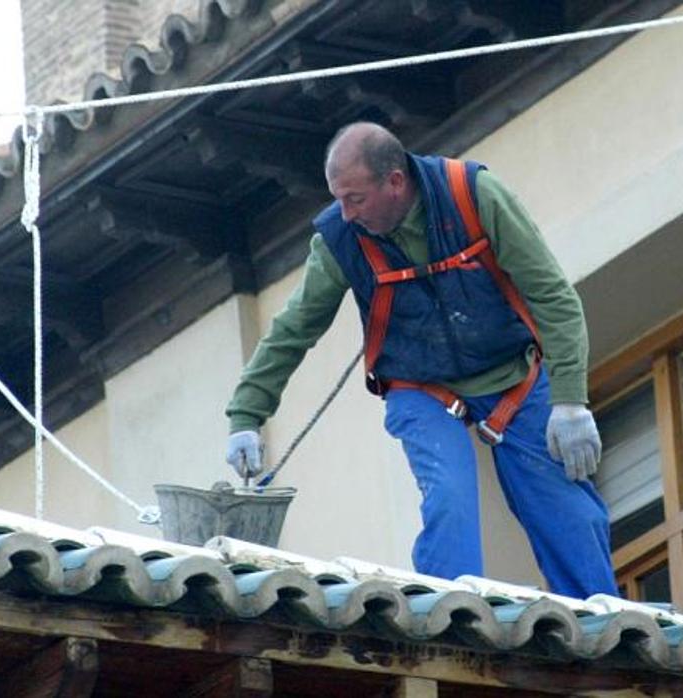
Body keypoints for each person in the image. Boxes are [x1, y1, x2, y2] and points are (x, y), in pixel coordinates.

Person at [224, 122, 617, 598]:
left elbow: (553, 296)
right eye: (339, 199)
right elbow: (294, 329)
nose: (345, 214)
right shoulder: (340, 240)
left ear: (394, 180)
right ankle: (449, 618)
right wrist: (247, 414)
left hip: (513, 376)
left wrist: (571, 401)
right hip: (420, 389)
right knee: (449, 502)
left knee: (567, 511)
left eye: (355, 198)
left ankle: (601, 627)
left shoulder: (474, 196)